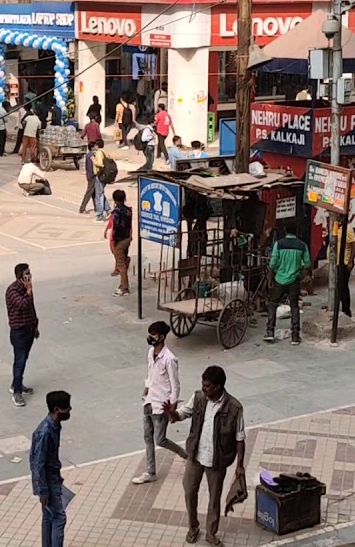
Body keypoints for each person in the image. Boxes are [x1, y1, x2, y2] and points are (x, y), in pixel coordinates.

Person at [167, 365, 246, 547]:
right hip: (195, 456)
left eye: (207, 386)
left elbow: (240, 438)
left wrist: (239, 465)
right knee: (189, 491)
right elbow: (182, 414)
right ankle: (193, 527)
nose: (203, 389)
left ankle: (211, 533)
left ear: (218, 387)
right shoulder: (198, 398)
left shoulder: (235, 408)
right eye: (203, 385)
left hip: (217, 461)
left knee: (214, 498)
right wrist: (172, 414)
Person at [132, 321, 186, 485]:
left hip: (161, 405)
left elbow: (175, 384)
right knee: (147, 438)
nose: (151, 337)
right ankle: (150, 472)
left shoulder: (169, 359)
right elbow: (150, 373)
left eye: (154, 335)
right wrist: (146, 389)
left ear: (162, 337)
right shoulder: (150, 353)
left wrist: (173, 406)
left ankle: (184, 455)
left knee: (160, 439)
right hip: (149, 401)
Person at [30, 390, 72, 547]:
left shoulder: (54, 425)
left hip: (50, 479)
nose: (70, 409)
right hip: (48, 481)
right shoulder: (45, 432)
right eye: (66, 407)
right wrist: (43, 490)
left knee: (48, 516)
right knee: (59, 518)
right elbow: (37, 463)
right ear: (56, 410)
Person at [266, 226, 309, 344]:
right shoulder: (302, 245)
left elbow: (273, 262)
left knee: (273, 304)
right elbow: (308, 263)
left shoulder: (278, 244)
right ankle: (295, 336)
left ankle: (270, 332)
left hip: (279, 279)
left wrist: (270, 278)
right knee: (294, 307)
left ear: (285, 231)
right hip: (294, 280)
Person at [6, 263, 39, 407]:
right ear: (21, 275)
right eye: (27, 273)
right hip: (18, 331)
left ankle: (16, 383)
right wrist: (29, 290)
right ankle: (17, 392)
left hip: (29, 328)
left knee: (24, 358)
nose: (30, 275)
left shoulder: (27, 288)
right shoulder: (13, 290)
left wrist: (35, 325)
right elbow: (22, 304)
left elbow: (31, 308)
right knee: (19, 360)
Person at [106, 189, 133, 297]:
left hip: (120, 240)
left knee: (121, 265)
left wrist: (115, 241)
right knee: (124, 261)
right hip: (127, 237)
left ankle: (124, 287)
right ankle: (123, 284)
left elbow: (116, 228)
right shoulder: (128, 210)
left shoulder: (117, 212)